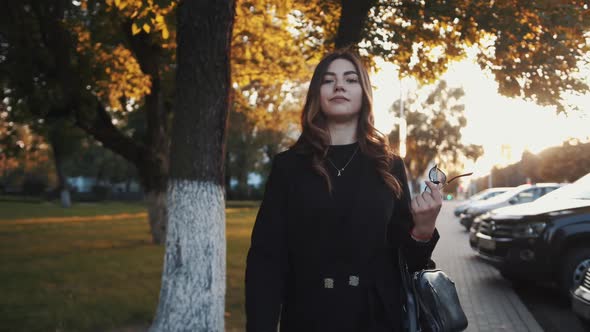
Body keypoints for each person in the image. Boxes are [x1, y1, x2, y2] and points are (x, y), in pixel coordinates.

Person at [245, 49, 442, 332]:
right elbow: (266, 260)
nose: (339, 86)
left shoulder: (390, 166)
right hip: (307, 319)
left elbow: (408, 263)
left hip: (378, 321)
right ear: (317, 93)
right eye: (329, 80)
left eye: (350, 80)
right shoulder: (288, 167)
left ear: (364, 94)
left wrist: (423, 230)